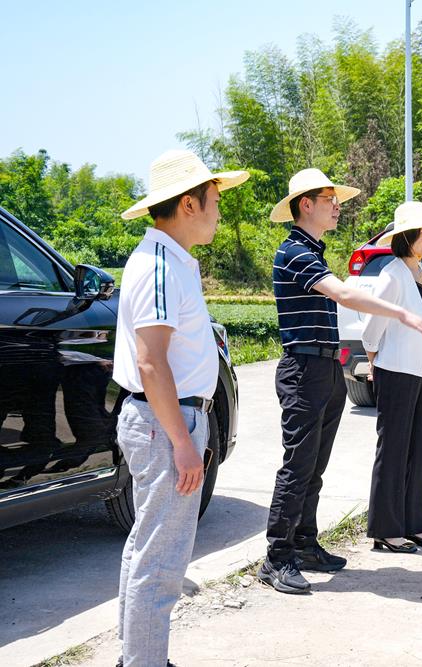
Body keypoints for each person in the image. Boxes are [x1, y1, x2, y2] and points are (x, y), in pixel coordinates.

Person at [260, 169, 422, 594]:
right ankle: (277, 557)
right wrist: (399, 313)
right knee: (298, 465)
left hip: (324, 368)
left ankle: (304, 543)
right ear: (306, 204)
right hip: (302, 370)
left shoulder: (314, 251)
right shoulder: (294, 252)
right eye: (330, 198)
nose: (338, 205)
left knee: (315, 466)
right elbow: (342, 294)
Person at [113, 149, 249, 666]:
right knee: (161, 560)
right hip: (164, 422)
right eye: (215, 201)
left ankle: (137, 657)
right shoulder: (162, 266)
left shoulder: (167, 260)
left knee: (146, 549)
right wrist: (183, 443)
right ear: (188, 204)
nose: (219, 210)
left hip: (162, 419)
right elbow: (151, 363)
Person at [362, 201, 422, 553]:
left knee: (419, 447)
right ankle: (386, 529)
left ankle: (413, 524)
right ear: (406, 237)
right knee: (394, 448)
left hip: (421, 368)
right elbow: (373, 323)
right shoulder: (392, 273)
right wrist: (373, 359)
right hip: (395, 369)